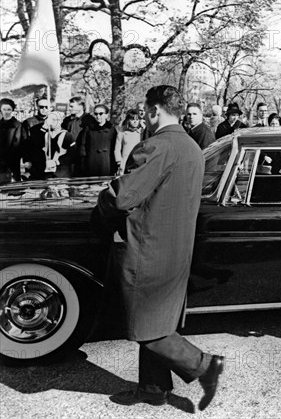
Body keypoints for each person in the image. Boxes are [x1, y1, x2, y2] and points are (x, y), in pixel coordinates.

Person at [95, 85, 224, 410]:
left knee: (147, 328)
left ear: (154, 111)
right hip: (176, 252)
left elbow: (122, 196)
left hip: (146, 254)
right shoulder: (192, 148)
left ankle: (205, 365)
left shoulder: (155, 147)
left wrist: (101, 202)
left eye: (147, 112)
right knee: (156, 321)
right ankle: (153, 388)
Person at [79, 104, 118, 176]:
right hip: (91, 162)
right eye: (96, 114)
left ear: (106, 115)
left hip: (106, 162)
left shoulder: (112, 129)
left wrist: (114, 165)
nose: (98, 116)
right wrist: (83, 163)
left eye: (101, 114)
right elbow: (83, 146)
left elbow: (115, 147)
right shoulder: (88, 129)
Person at [0, 98, 26, 182]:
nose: (6, 112)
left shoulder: (17, 125)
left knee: (12, 185)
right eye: (4, 109)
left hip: (11, 161)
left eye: (9, 109)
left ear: (12, 110)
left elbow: (17, 144)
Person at [43, 111, 75, 178]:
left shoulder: (67, 135)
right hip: (47, 172)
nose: (52, 122)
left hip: (62, 173)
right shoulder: (46, 134)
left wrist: (57, 162)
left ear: (61, 121)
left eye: (54, 120)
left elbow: (72, 154)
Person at [114, 109, 143, 174]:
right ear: (128, 120)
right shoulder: (122, 133)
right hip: (124, 163)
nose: (135, 122)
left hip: (137, 163)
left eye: (137, 119)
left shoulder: (141, 133)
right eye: (132, 119)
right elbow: (117, 149)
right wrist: (119, 162)